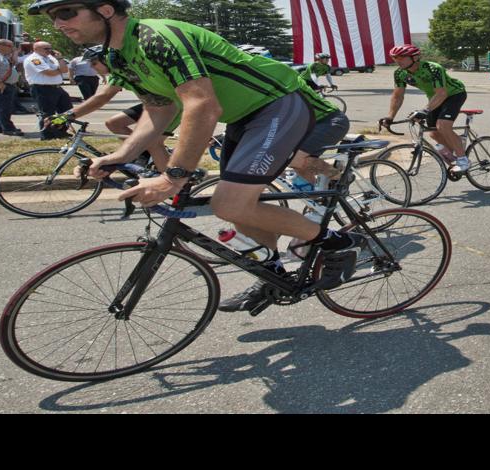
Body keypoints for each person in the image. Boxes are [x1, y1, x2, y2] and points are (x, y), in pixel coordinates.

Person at [35, 0, 361, 313]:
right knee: (239, 212)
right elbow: (158, 110)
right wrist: (120, 154)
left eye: (67, 12)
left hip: (275, 104)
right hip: (242, 118)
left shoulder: (156, 37)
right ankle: (273, 274)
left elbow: (202, 105)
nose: (59, 23)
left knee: (229, 203)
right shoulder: (118, 55)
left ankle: (339, 244)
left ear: (105, 10)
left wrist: (173, 176)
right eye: (53, 17)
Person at [46, 46, 174, 170]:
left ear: (105, 59)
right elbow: (100, 98)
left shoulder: (126, 70)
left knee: (153, 142)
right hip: (154, 103)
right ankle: (144, 156)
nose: (91, 67)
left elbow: (101, 98)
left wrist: (67, 115)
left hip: (173, 105)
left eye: (94, 63)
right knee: (114, 123)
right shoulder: (119, 72)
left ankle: (175, 184)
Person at [380, 44, 470, 174]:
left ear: (415, 57)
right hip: (434, 98)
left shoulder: (433, 68)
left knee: (443, 125)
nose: (397, 61)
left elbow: (442, 93)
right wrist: (390, 116)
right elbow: (398, 96)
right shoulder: (400, 73)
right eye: (395, 58)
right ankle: (455, 144)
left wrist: (425, 110)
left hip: (454, 94)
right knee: (434, 133)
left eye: (402, 57)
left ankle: (463, 160)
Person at [23, 41, 75, 138]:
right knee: (47, 113)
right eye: (46, 48)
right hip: (42, 88)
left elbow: (64, 70)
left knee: (66, 110)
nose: (49, 50)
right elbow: (49, 73)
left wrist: (59, 58)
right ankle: (47, 135)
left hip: (57, 87)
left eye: (50, 48)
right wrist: (58, 70)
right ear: (36, 49)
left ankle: (60, 131)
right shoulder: (34, 59)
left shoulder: (51, 58)